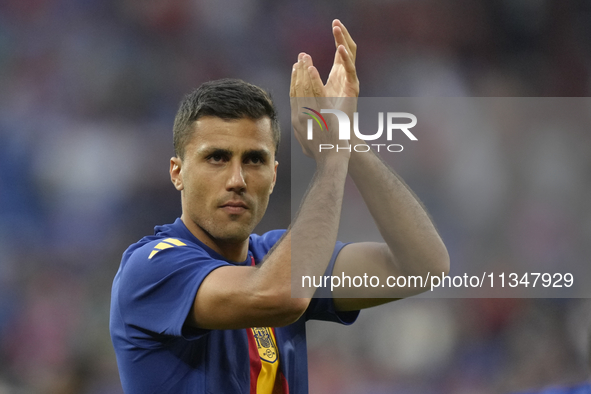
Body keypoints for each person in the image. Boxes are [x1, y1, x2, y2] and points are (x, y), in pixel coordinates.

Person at [110, 19, 449, 393]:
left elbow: (422, 266)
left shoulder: (274, 255)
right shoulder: (153, 267)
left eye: (254, 160)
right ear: (177, 172)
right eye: (217, 158)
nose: (237, 179)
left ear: (273, 174)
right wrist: (331, 157)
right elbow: (277, 295)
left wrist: (348, 141)